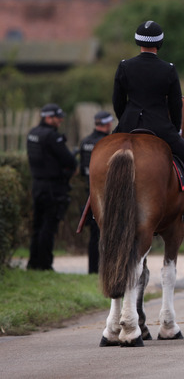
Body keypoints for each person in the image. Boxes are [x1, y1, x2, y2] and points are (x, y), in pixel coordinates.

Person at [113, 20, 184, 224]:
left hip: (128, 125)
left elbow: (118, 101)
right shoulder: (168, 69)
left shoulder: (125, 66)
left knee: (101, 157)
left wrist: (124, 122)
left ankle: (92, 206)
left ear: (138, 42)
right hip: (160, 127)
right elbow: (174, 105)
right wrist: (176, 128)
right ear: (159, 44)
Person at [26, 103, 77, 271]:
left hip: (37, 185)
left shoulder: (32, 133)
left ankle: (33, 263)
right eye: (58, 117)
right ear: (48, 117)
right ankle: (45, 265)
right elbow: (69, 161)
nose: (61, 120)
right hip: (53, 188)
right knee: (49, 227)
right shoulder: (52, 137)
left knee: (37, 226)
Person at [78, 111, 113, 274]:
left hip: (89, 192)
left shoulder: (85, 142)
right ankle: (105, 269)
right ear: (107, 124)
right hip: (106, 194)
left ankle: (93, 270)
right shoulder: (106, 143)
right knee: (107, 233)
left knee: (94, 234)